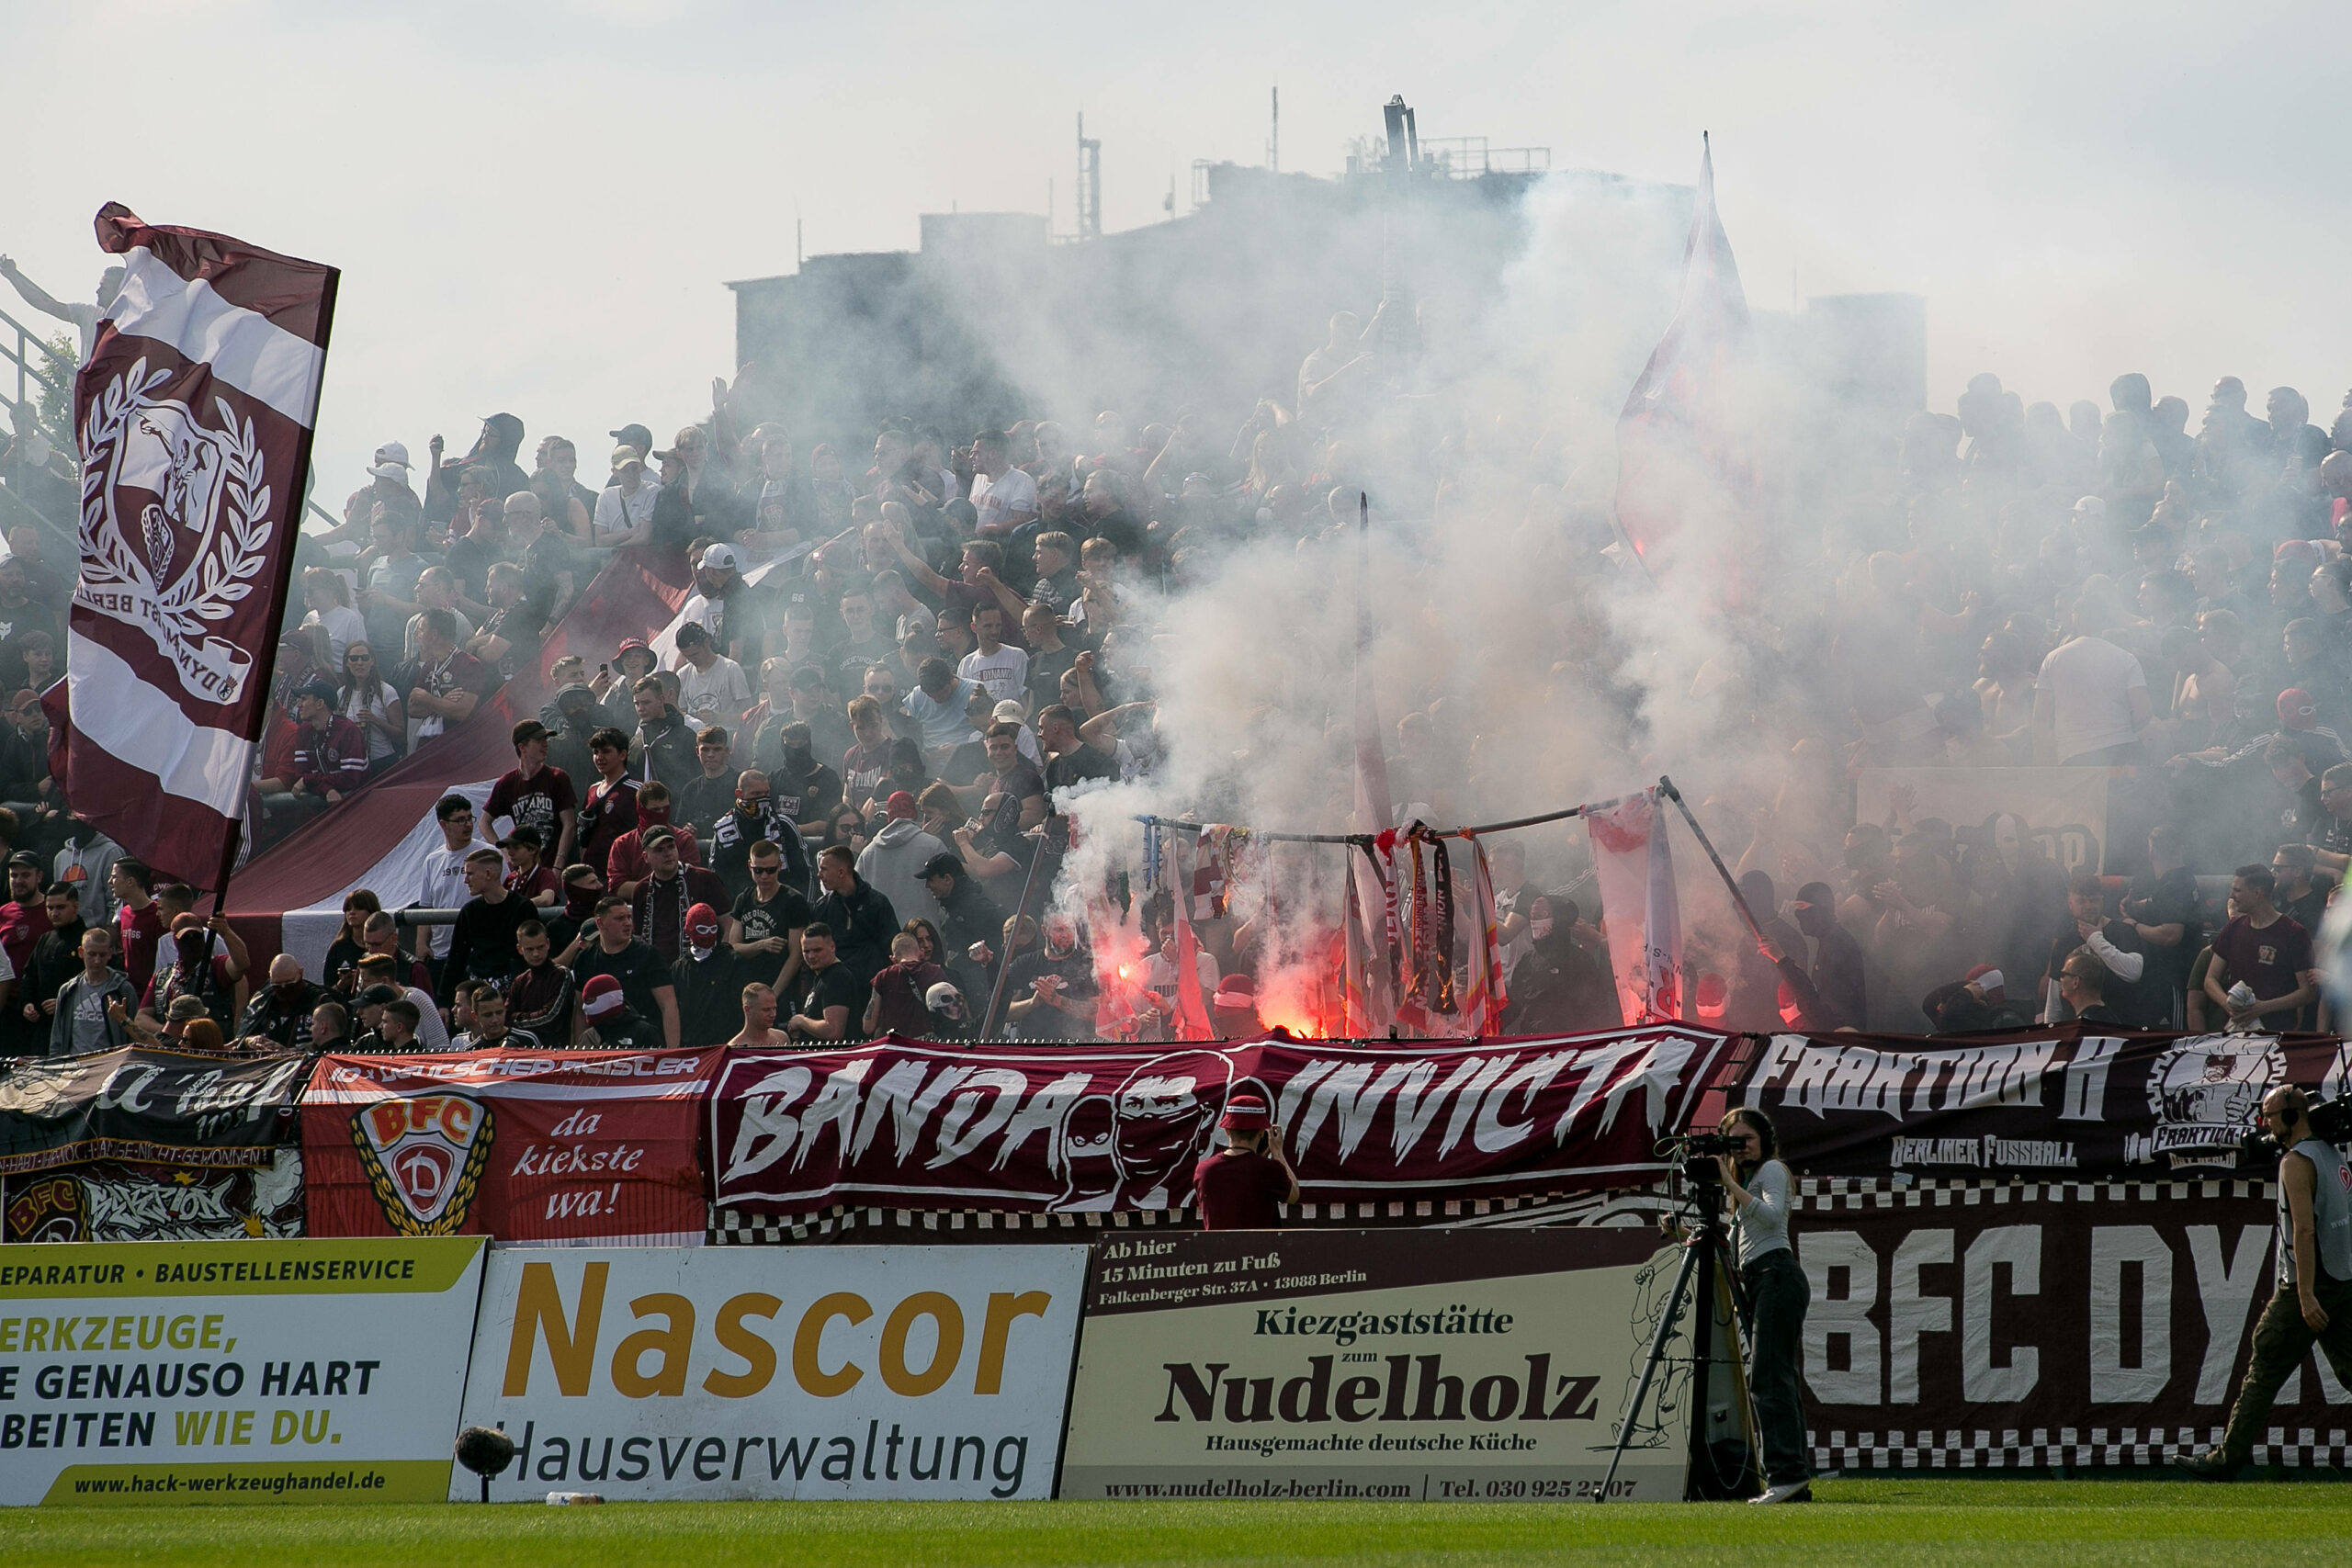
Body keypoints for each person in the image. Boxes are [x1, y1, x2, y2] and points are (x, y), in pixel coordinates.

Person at [2181, 1086, 2352, 1480]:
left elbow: (2304, 1230)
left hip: (2307, 1286)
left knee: (2263, 1371)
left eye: (2270, 1116)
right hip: (2343, 1280)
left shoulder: (2295, 1162)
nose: (2265, 1124)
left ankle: (2225, 1461)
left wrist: (2306, 1294)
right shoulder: (2331, 1155)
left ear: (2293, 1117)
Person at [1713, 1107, 1811, 1505]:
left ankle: (1785, 1476)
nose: (1741, 1149)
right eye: (1733, 1142)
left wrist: (1727, 1182)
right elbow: (1738, 1241)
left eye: (1747, 1139)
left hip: (1776, 1275)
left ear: (1764, 1139)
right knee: (1777, 1379)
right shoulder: (1750, 1179)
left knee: (1769, 1381)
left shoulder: (1771, 1170)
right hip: (1761, 1278)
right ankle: (1793, 1478)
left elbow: (1770, 1219)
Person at [2204, 864, 2319, 1032]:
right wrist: (2228, 1004)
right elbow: (2210, 979)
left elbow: (2308, 992)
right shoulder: (2233, 927)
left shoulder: (2294, 933)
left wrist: (2263, 1007)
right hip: (2237, 1030)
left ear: (2257, 893)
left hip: (2277, 1034)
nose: (2231, 896)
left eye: (2237, 890)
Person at [564, 896, 678, 1049]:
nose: (627, 923)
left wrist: (673, 1053)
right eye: (619, 919)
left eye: (629, 917)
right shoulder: (585, 959)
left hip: (643, 1043)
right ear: (600, 923)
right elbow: (580, 1010)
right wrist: (581, 1053)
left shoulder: (648, 955)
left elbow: (668, 1005)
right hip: (601, 1045)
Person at [441, 847, 533, 1008]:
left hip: (514, 993)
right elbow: (456, 958)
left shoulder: (522, 908)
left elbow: (528, 956)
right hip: (476, 994)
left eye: (470, 874)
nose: (466, 880)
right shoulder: (469, 912)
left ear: (488, 874)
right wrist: (443, 1002)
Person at [1192, 1094, 1298, 1230]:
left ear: (1227, 1131)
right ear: (1261, 1132)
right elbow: (1293, 1196)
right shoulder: (1268, 1169)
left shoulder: (1204, 1169)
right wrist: (1277, 1152)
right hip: (1261, 1250)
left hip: (1218, 1249)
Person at [629, 827, 729, 964]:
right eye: (659, 850)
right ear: (646, 857)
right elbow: (638, 939)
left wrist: (722, 958)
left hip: (700, 965)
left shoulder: (705, 879)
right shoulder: (641, 890)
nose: (667, 853)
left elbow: (729, 924)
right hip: (657, 970)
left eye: (671, 847)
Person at [487, 721, 579, 867]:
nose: (545, 745)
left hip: (558, 868)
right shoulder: (507, 783)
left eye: (545, 740)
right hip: (527, 869)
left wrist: (558, 865)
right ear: (522, 747)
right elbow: (484, 823)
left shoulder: (557, 778)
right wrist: (505, 852)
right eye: (539, 740)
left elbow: (569, 824)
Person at [810, 843, 899, 987]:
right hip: (836, 986)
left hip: (871, 985)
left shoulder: (876, 903)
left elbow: (891, 947)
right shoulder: (823, 908)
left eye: (824, 870)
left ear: (841, 872)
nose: (819, 875)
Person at [50, 927, 133, 1056]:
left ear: (110, 954)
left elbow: (134, 1033)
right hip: (74, 1064)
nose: (97, 960)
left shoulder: (122, 990)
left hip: (109, 1064)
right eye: (92, 954)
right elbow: (57, 1036)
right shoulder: (68, 990)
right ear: (81, 952)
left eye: (102, 955)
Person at [671, 902, 738, 1046]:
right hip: (690, 1045)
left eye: (712, 929)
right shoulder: (679, 968)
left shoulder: (730, 960)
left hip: (724, 1043)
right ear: (690, 929)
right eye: (702, 929)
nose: (707, 935)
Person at [783, 922, 863, 1043]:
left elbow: (833, 1030)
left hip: (833, 1058)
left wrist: (801, 1021)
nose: (811, 956)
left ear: (832, 947)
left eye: (817, 950)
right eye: (806, 951)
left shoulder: (837, 977)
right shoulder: (822, 977)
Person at [239, 953, 328, 1050]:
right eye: (277, 985)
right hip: (265, 1062)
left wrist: (291, 1051)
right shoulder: (262, 1000)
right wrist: (251, 1041)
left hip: (306, 1062)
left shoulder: (319, 1001)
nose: (283, 988)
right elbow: (243, 1034)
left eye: (289, 984)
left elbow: (331, 1041)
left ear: (300, 973)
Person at [729, 983, 785, 1047]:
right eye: (766, 1010)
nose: (773, 1014)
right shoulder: (735, 1047)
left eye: (774, 1008)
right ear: (747, 1010)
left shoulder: (782, 1038)